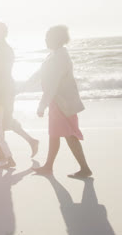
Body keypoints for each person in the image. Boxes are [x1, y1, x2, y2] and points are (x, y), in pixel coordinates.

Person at [32, 25, 92, 178]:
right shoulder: (54, 54)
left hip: (63, 103)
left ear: (56, 38)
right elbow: (39, 74)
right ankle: (48, 166)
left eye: (48, 36)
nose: (45, 39)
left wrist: (41, 105)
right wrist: (21, 87)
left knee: (69, 135)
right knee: (55, 134)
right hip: (58, 102)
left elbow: (52, 85)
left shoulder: (59, 57)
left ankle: (84, 168)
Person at [0, 22, 39, 161]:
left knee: (1, 121)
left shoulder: (2, 50)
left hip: (3, 88)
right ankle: (6, 151)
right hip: (6, 87)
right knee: (3, 120)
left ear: (1, 34)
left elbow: (2, 71)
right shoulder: (5, 49)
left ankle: (26, 143)